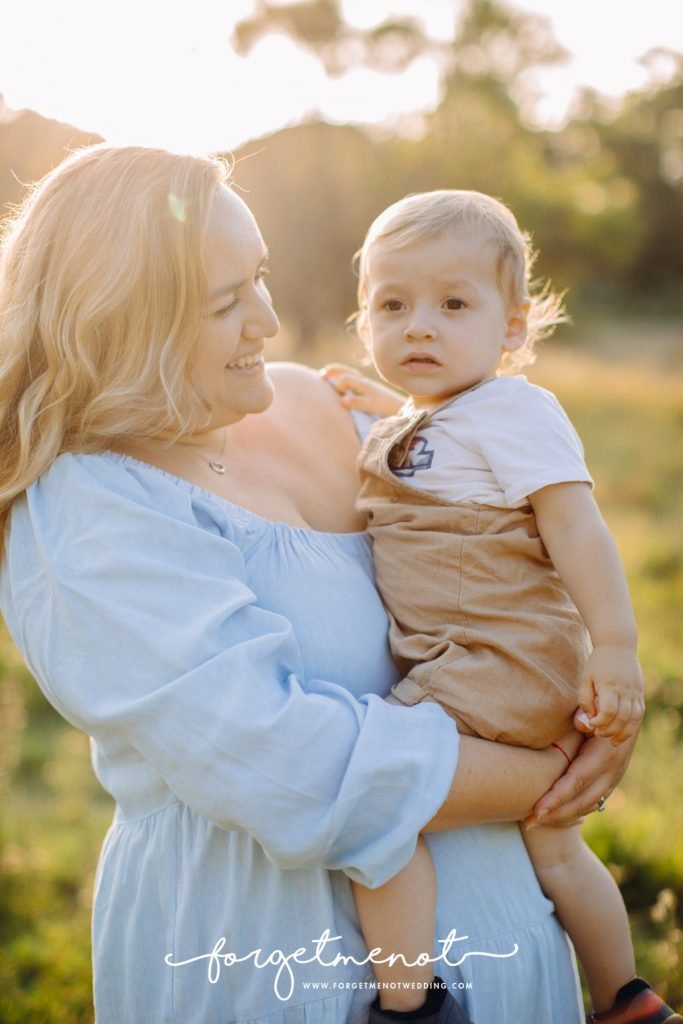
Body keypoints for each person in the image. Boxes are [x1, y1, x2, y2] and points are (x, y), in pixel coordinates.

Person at [0, 145, 638, 1024]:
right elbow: (284, 762)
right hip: (265, 959)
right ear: (123, 324)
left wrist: (597, 674)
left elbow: (507, 551)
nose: (267, 320)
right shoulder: (88, 502)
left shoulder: (324, 402)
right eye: (226, 302)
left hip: (504, 929)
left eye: (259, 276)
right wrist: (559, 770)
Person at [322, 189, 680, 1024]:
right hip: (506, 673)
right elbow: (438, 448)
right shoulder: (434, 418)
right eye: (392, 303)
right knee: (553, 843)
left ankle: (407, 1004)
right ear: (363, 315)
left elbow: (574, 526)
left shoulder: (516, 409)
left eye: (453, 304)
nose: (418, 325)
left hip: (494, 661)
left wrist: (616, 647)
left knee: (380, 802)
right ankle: (624, 997)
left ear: (511, 328)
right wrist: (386, 413)